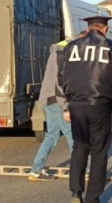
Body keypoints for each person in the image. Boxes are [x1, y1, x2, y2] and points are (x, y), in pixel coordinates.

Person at [58, 16, 112, 203]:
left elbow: (61, 76)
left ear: (88, 28)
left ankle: (76, 191)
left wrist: (70, 97)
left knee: (80, 146)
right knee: (99, 150)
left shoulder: (71, 47)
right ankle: (92, 200)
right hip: (99, 103)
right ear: (105, 29)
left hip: (76, 103)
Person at [28, 31, 87, 181]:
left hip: (50, 99)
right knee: (73, 136)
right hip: (57, 101)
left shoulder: (60, 52)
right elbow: (59, 84)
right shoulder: (62, 55)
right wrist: (65, 108)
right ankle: (82, 171)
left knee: (52, 136)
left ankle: (36, 170)